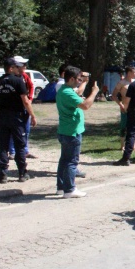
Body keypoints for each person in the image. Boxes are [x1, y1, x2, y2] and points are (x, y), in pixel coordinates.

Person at [0, 58, 37, 183]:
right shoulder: (18, 81)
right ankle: (22, 173)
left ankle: (2, 174)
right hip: (16, 117)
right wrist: (32, 115)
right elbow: (25, 101)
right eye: (16, 67)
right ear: (10, 68)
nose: (19, 69)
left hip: (1, 117)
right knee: (20, 145)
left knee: (3, 146)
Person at [55, 66, 99, 198]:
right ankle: (69, 189)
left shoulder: (65, 90)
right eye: (79, 79)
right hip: (71, 132)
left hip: (65, 130)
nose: (80, 81)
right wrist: (94, 92)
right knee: (71, 162)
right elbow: (86, 105)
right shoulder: (67, 92)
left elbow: (78, 97)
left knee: (64, 160)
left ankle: (61, 188)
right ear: (71, 78)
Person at [8, 56, 36, 160]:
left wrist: (30, 98)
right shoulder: (9, 78)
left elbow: (31, 86)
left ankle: (25, 150)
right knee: (13, 130)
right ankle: (12, 151)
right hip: (13, 109)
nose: (25, 67)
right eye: (23, 65)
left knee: (26, 129)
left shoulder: (25, 76)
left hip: (24, 106)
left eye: (25, 65)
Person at [111, 66, 135, 151]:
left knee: (134, 126)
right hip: (124, 107)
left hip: (134, 108)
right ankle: (122, 145)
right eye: (134, 72)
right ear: (129, 73)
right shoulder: (122, 83)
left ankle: (133, 145)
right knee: (124, 126)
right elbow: (114, 95)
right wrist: (120, 104)